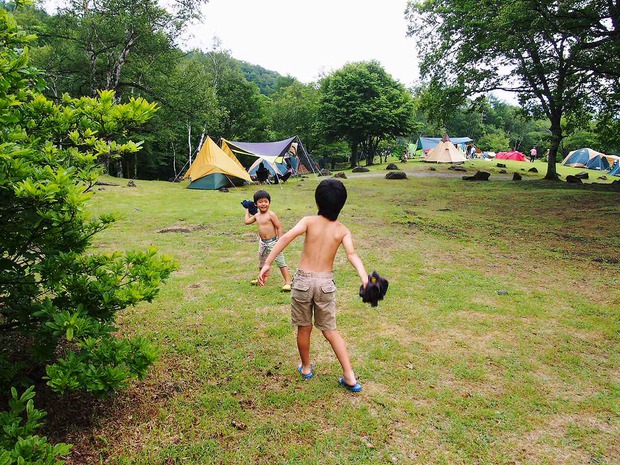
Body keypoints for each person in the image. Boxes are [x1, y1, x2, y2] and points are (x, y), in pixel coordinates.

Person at [257, 179, 369, 393]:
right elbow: (352, 255)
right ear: (342, 205)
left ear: (317, 203)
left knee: (304, 327)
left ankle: (306, 367)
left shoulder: (309, 221)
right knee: (330, 330)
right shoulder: (343, 230)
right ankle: (350, 376)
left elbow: (286, 237)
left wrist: (268, 263)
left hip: (303, 282)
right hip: (325, 283)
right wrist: (364, 278)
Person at [244, 190, 292, 291]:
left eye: (266, 201)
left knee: (280, 262)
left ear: (269, 203)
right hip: (262, 243)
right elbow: (247, 222)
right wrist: (247, 209)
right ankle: (262, 278)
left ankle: (288, 282)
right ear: (256, 204)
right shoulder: (257, 216)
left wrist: (280, 241)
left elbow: (279, 227)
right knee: (262, 262)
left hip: (273, 242)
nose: (263, 204)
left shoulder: (271, 215)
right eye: (260, 202)